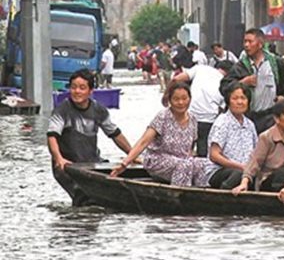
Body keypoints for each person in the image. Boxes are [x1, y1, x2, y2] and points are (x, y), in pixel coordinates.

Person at [47, 69, 134, 206]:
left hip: (91, 162)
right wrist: (59, 159)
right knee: (83, 197)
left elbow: (115, 134)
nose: (77, 91)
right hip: (67, 164)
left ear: (90, 91)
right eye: (73, 87)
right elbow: (52, 136)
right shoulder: (62, 110)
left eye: (82, 88)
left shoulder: (98, 110)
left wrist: (132, 155)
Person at [110, 81, 209, 187]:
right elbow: (143, 142)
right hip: (158, 160)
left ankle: (201, 191)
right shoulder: (163, 116)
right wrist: (125, 163)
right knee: (184, 165)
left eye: (184, 99)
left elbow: (190, 149)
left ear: (190, 99)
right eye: (176, 99)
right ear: (170, 100)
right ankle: (177, 193)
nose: (181, 102)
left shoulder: (193, 119)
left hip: (182, 161)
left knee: (203, 163)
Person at [220, 28, 284, 132]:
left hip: (271, 118)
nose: (246, 45)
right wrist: (243, 82)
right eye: (245, 42)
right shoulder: (240, 66)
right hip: (248, 118)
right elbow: (224, 88)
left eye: (250, 41)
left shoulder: (277, 63)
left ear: (260, 44)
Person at [232, 99, 284, 194]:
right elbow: (255, 161)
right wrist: (244, 182)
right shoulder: (266, 137)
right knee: (281, 175)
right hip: (271, 181)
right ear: (277, 118)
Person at [173, 60, 233, 157]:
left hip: (189, 117)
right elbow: (221, 110)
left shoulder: (200, 68)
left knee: (183, 152)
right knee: (203, 153)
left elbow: (176, 79)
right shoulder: (225, 85)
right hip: (208, 121)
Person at [205, 83, 258, 189]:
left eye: (243, 98)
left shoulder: (250, 124)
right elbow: (214, 155)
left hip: (245, 172)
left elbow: (256, 152)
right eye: (235, 98)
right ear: (228, 101)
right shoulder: (222, 122)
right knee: (238, 175)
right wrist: (240, 167)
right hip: (220, 171)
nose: (240, 102)